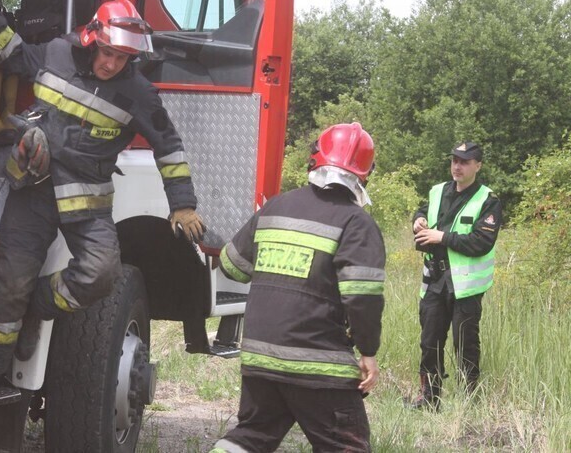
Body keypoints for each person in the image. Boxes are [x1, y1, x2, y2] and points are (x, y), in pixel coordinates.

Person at [0, 0, 206, 407]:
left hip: (87, 201)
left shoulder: (139, 94)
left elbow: (169, 145)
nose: (111, 64)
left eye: (122, 58)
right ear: (93, 40)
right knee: (10, 283)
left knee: (101, 273)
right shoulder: (57, 53)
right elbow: (13, 54)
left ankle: (36, 307)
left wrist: (182, 204)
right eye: (107, 52)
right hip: (34, 188)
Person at [211, 123, 386, 453]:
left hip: (261, 355)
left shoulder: (276, 207)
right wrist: (368, 352)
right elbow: (362, 297)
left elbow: (231, 266)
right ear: (365, 174)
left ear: (314, 159)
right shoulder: (357, 223)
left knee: (251, 436)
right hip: (320, 362)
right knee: (344, 445)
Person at [407, 141, 502, 411]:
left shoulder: (488, 200)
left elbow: (481, 242)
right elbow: (423, 210)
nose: (457, 166)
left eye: (464, 162)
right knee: (429, 342)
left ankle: (468, 402)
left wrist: (442, 237)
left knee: (466, 345)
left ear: (478, 166)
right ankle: (429, 398)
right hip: (434, 279)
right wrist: (418, 221)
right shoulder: (438, 190)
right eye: (454, 160)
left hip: (466, 286)